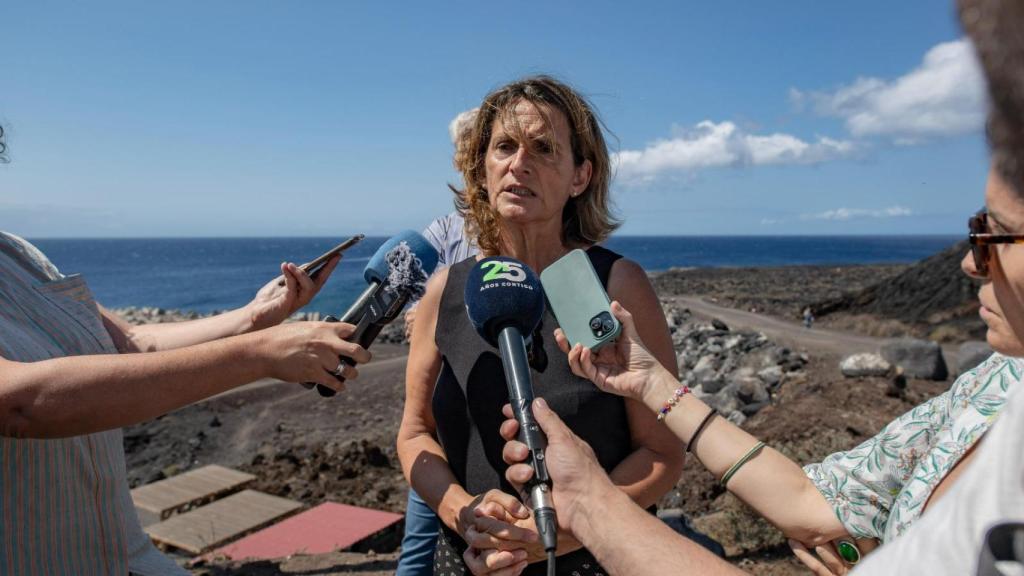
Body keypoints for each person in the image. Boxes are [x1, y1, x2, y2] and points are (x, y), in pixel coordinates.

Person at [488, 4, 1024, 571]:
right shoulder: (997, 384)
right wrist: (651, 383)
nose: (970, 262)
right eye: (975, 229)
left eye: (998, 233)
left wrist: (592, 505)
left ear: (581, 175)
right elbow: (812, 504)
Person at [396, 76, 684, 575]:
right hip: (466, 558)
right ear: (481, 169)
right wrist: (463, 512)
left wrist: (566, 531)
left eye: (544, 149)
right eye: (504, 146)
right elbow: (415, 433)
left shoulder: (617, 285)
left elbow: (661, 453)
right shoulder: (444, 292)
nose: (518, 163)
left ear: (580, 176)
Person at [0, 221, 371, 572]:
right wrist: (260, 354)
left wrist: (255, 317)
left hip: (128, 559)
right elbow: (21, 403)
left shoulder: (19, 254)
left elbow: (133, 343)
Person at [398, 108, 481, 576]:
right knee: (419, 541)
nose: (468, 158)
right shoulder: (444, 231)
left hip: (489, 414)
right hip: (439, 410)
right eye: (463, 149)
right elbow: (412, 302)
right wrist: (422, 312)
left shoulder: (525, 232)